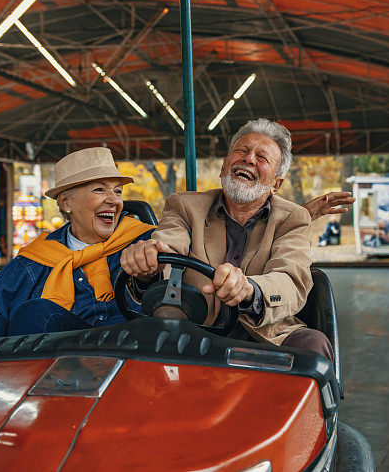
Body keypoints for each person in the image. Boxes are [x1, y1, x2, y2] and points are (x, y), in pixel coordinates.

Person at [120, 119, 334, 361]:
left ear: (276, 183)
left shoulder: (293, 218)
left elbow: (289, 279)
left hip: (263, 334)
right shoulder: (185, 205)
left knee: (314, 345)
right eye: (241, 151)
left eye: (262, 157)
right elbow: (168, 247)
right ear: (224, 167)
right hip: (194, 329)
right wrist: (150, 262)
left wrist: (249, 289)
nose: (249, 159)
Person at [0, 147, 154, 341]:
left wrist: (146, 278)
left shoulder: (144, 242)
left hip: (124, 356)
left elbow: (164, 306)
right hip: (57, 369)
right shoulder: (37, 258)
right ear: (66, 203)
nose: (114, 200)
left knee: (35, 314)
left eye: (118, 191)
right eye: (100, 190)